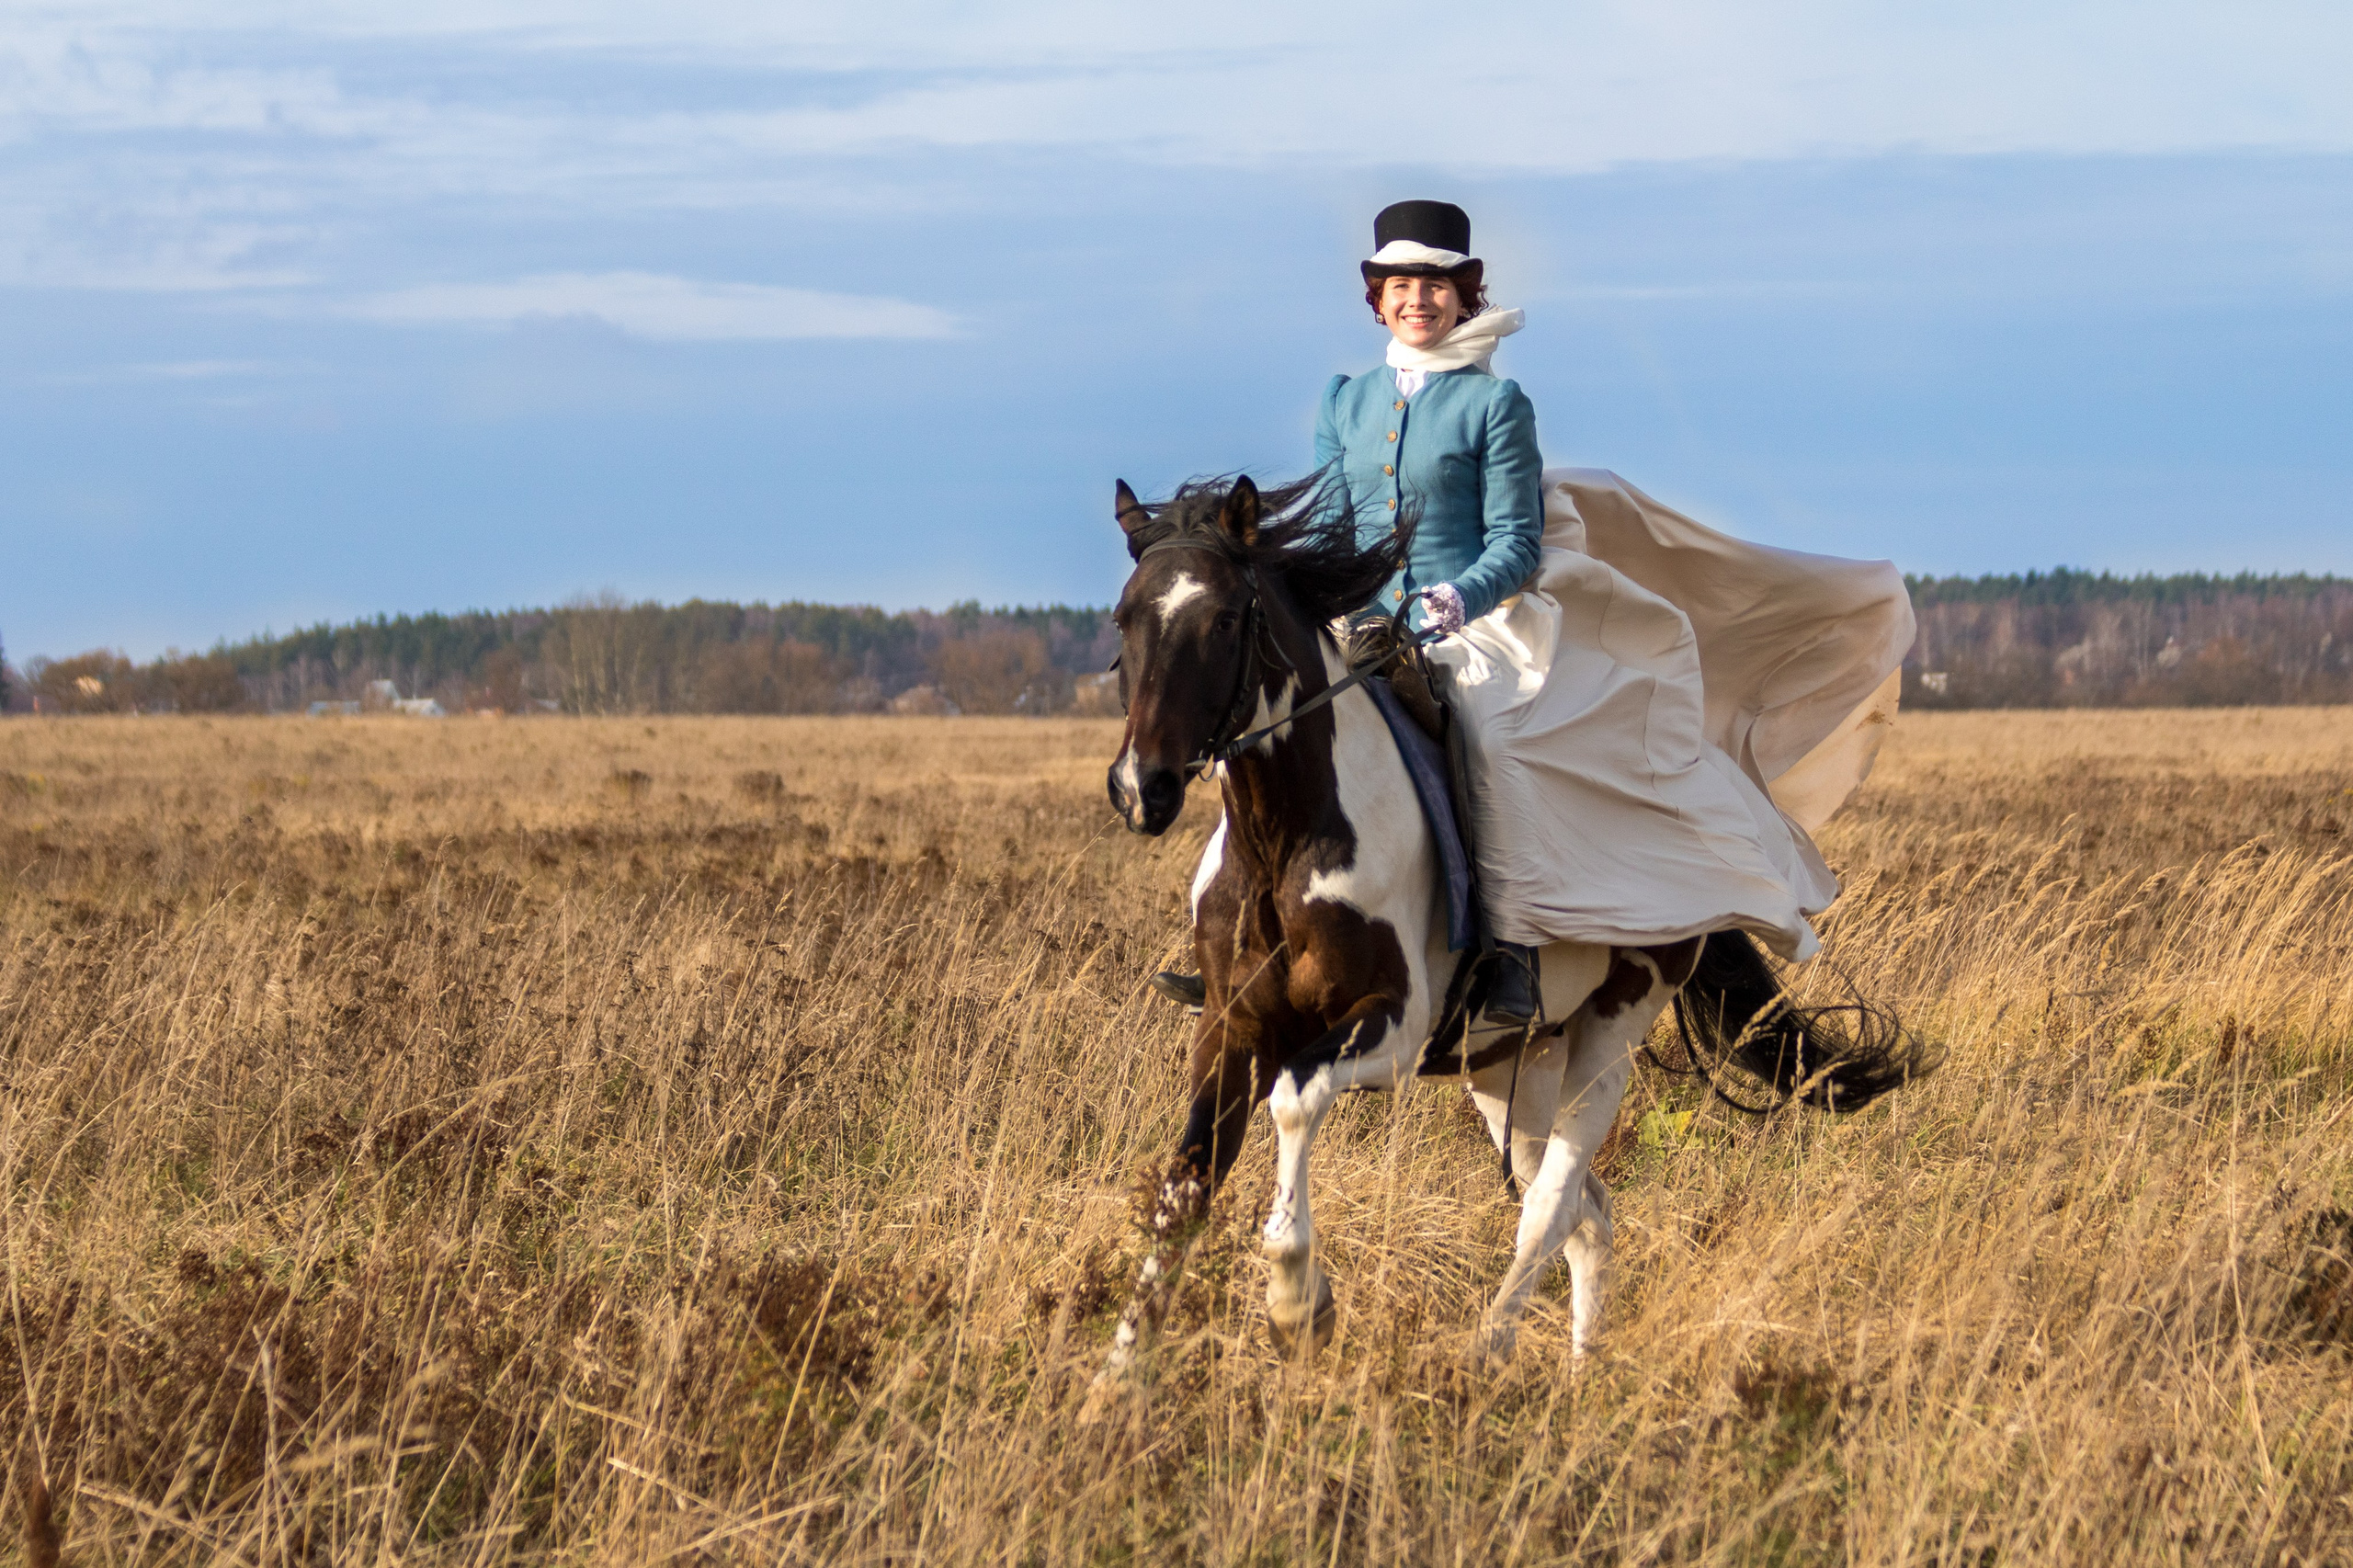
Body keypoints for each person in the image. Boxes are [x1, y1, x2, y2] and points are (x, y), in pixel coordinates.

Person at [1154, 199, 1914, 1029]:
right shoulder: (1345, 401)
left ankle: (1509, 949)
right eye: (1403, 284)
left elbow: (1515, 544)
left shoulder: (1496, 406)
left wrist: (1454, 599)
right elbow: (1337, 526)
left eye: (1437, 285)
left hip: (1471, 627)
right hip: (1356, 625)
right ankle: (1232, 942)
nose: (1419, 300)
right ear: (1378, 296)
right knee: (1262, 733)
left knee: (1495, 744)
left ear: (1464, 295)